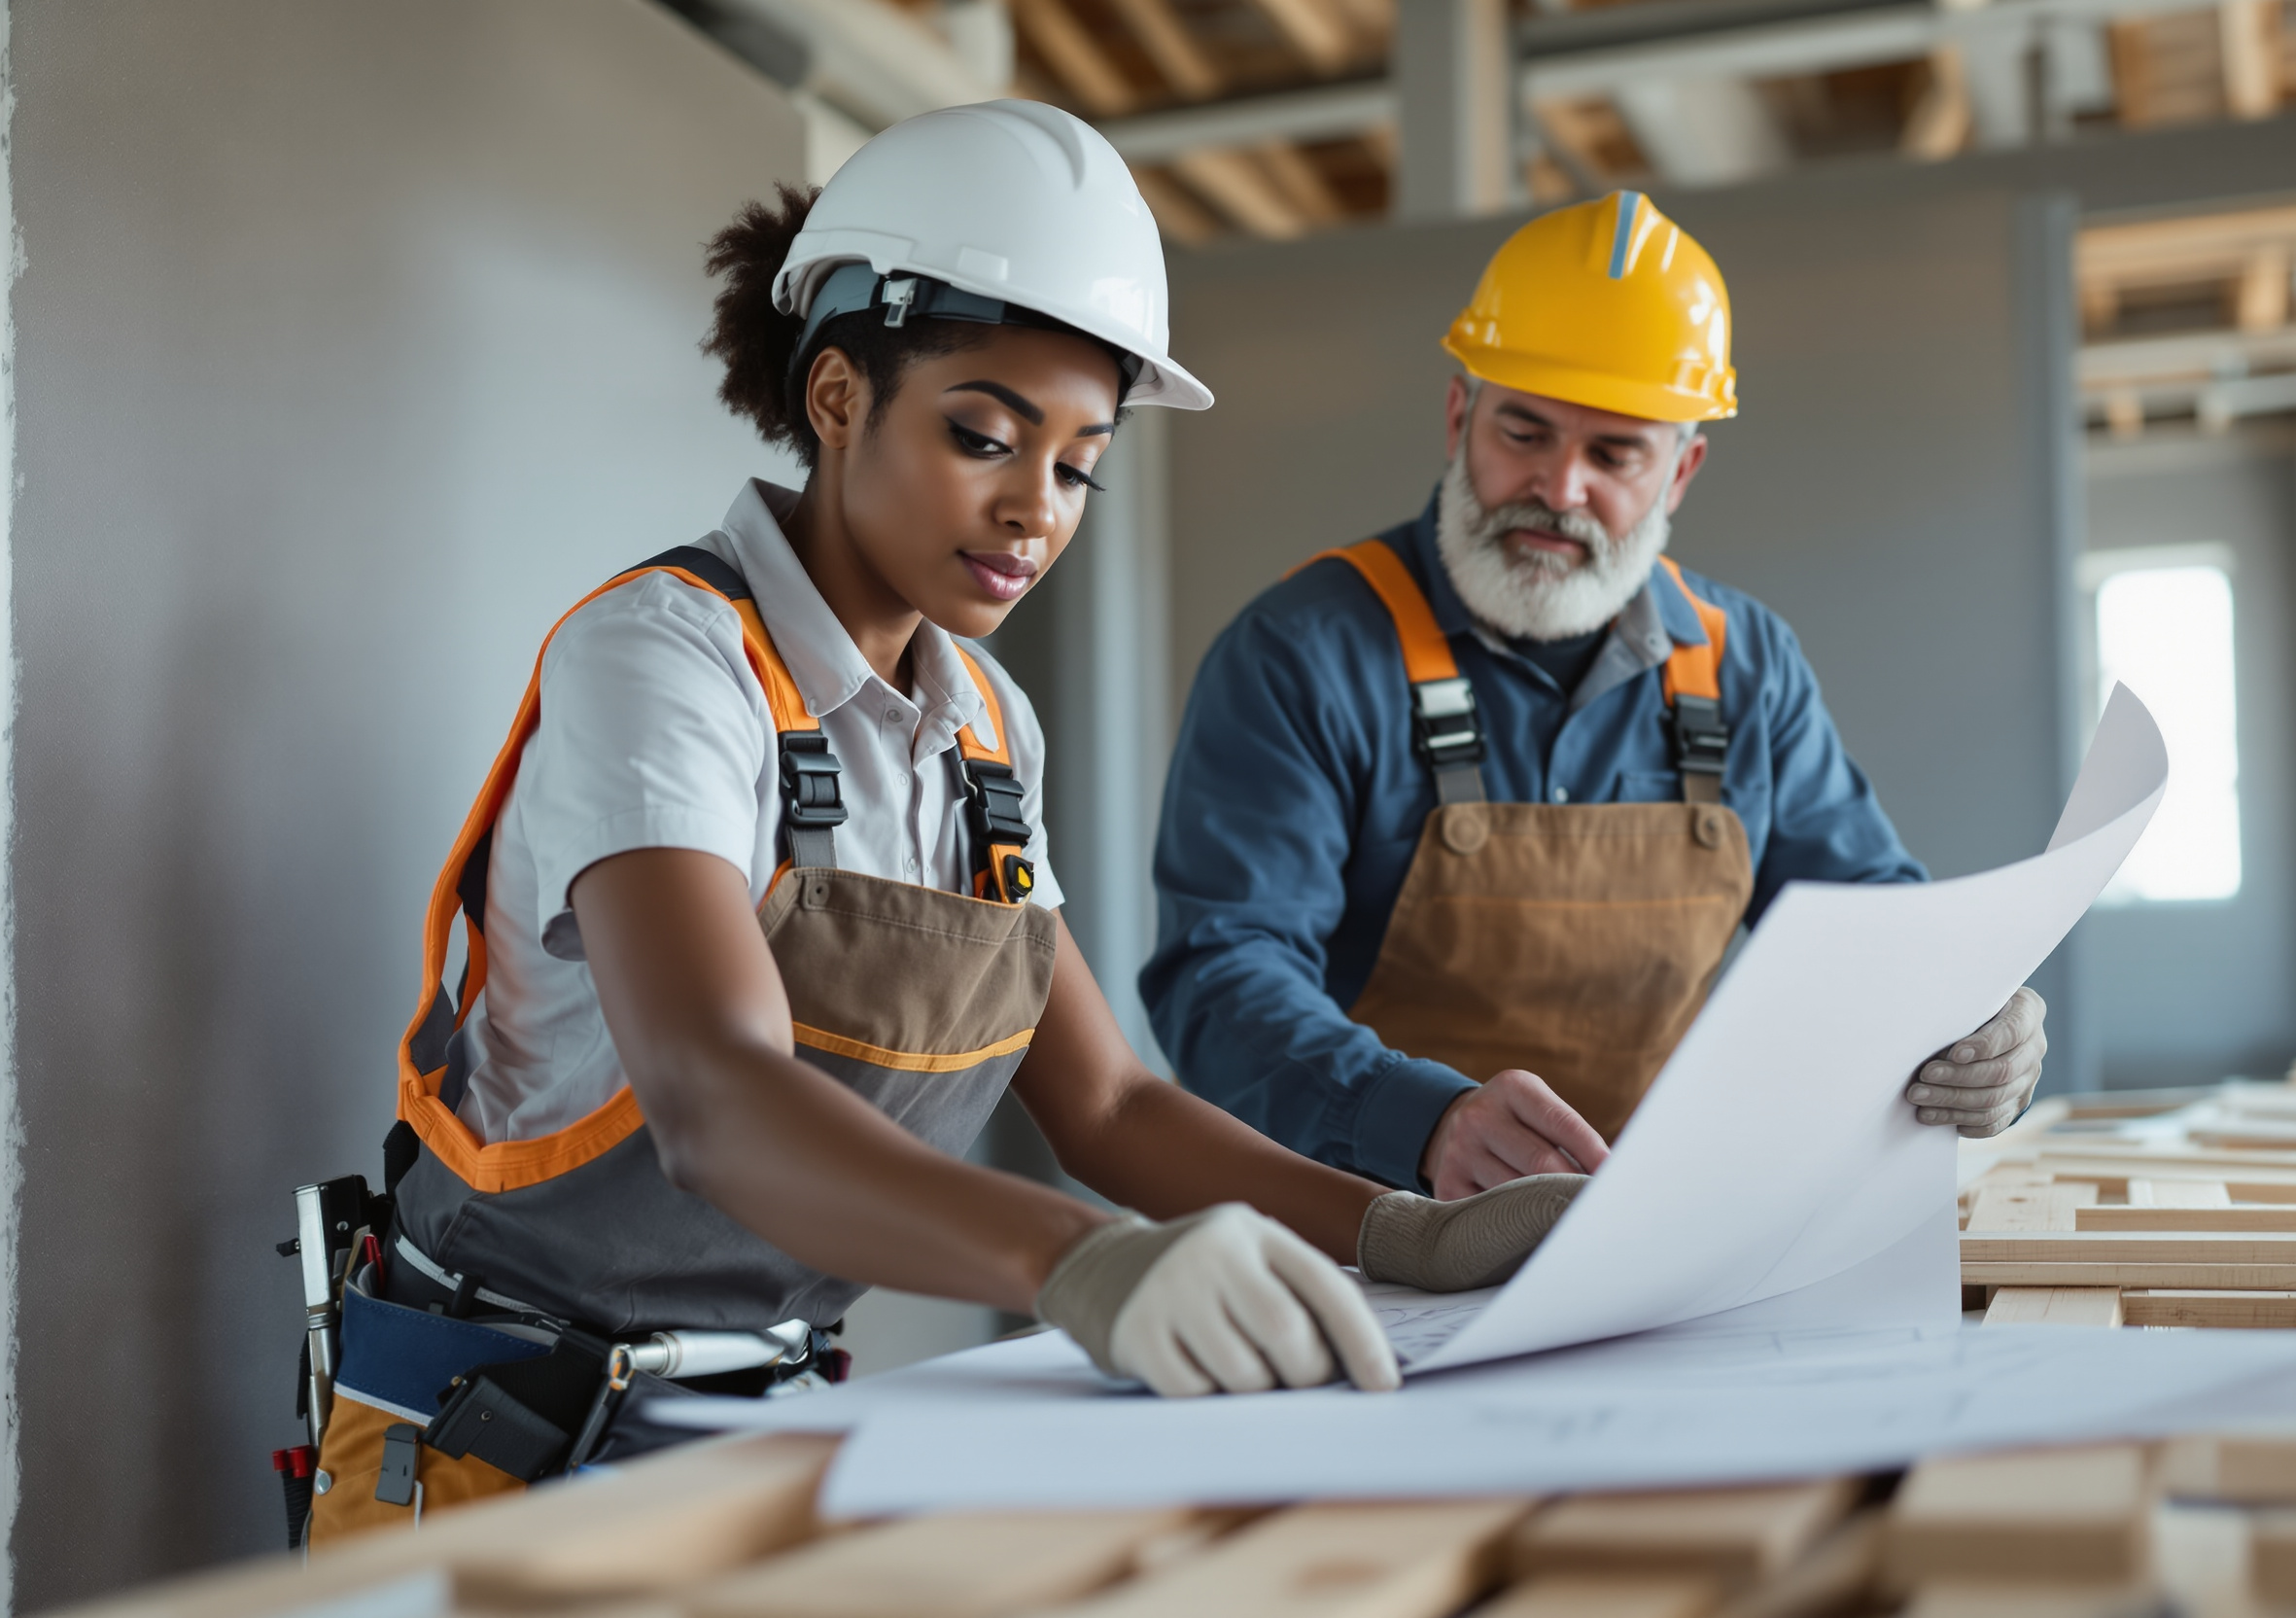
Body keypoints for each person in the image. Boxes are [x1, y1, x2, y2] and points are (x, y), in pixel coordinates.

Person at [308, 103, 1583, 1545]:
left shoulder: (984, 728)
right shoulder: (664, 660)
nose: (1036, 510)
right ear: (839, 396)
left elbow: (1106, 1104)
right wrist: (1089, 1266)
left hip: (768, 1448)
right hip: (494, 1456)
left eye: (1081, 463)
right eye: (985, 435)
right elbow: (715, 1098)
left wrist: (1401, 1233)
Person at [1144, 192, 2047, 1201]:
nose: (1559, 487)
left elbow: (1870, 931)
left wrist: (1966, 1013)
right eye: (1523, 431)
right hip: (1360, 1234)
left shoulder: (1745, 666)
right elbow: (1219, 982)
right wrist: (1421, 1119)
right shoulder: (1302, 653)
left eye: (1614, 453)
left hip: (1655, 1236)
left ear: (1681, 472)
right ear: (1458, 417)